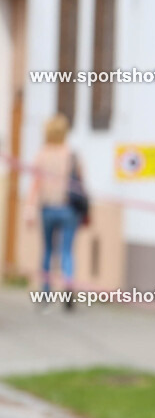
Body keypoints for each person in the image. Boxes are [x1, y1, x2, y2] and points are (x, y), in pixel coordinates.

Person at [25, 113, 85, 309]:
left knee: (48, 250)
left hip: (48, 209)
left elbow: (35, 185)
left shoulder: (41, 155)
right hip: (68, 209)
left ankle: (45, 291)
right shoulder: (71, 155)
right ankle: (68, 286)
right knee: (67, 251)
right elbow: (80, 183)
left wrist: (29, 208)